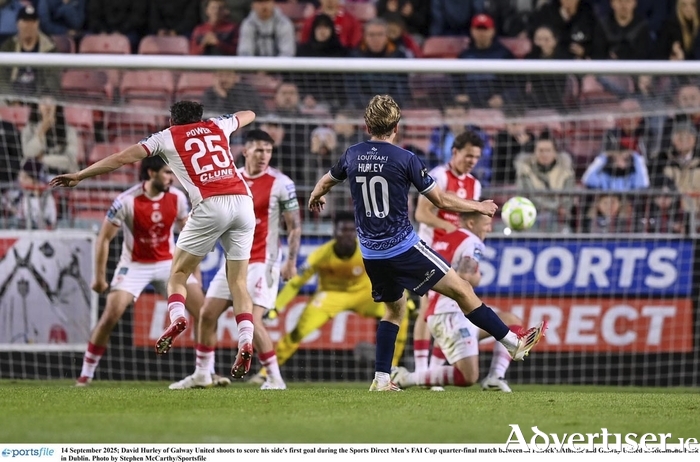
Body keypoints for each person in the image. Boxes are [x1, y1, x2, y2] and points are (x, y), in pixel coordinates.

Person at [307, 94, 547, 391]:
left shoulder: (352, 154)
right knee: (462, 288)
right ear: (396, 126)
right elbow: (440, 199)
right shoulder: (405, 158)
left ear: (367, 125)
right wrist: (479, 206)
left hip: (370, 252)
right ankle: (513, 342)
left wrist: (315, 196)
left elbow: (328, 180)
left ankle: (381, 379)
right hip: (403, 248)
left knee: (394, 310)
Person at [50, 101, 258, 379]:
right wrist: (227, 118)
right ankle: (245, 339)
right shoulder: (218, 125)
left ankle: (177, 317)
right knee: (239, 283)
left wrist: (80, 175)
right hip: (244, 203)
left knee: (178, 274)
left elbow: (121, 158)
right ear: (200, 117)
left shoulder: (167, 137)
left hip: (211, 204)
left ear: (173, 119)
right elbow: (249, 113)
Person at [169, 129, 301, 390]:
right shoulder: (233, 178)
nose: (264, 156)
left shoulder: (281, 183)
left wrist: (291, 261)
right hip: (234, 260)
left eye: (268, 150)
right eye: (259, 150)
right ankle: (202, 374)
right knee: (207, 314)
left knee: (254, 318)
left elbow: (294, 226)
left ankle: (275, 378)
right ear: (246, 151)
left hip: (264, 261)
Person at [73, 156, 207, 386]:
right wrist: (99, 277)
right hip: (134, 265)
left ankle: (206, 371)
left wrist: (196, 271)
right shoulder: (125, 201)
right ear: (151, 173)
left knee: (204, 312)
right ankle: (85, 375)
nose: (170, 178)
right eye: (166, 173)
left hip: (169, 264)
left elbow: (190, 237)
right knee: (110, 315)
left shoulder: (177, 198)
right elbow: (104, 239)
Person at [250, 212, 410, 385]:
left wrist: (402, 298)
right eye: (343, 230)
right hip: (331, 296)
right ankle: (266, 372)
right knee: (298, 332)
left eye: (351, 230)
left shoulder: (366, 250)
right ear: (335, 233)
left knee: (400, 314)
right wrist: (277, 307)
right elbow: (296, 283)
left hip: (364, 295)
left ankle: (391, 369)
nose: (347, 234)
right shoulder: (321, 254)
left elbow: (389, 272)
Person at [391, 211, 524, 392]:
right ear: (471, 223)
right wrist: (478, 277)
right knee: (468, 377)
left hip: (443, 310)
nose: (489, 228)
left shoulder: (444, 239)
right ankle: (406, 378)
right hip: (451, 315)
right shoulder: (472, 241)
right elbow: (465, 277)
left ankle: (495, 377)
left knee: (511, 321)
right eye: (486, 224)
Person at [412, 130, 482, 384]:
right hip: (430, 250)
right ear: (455, 152)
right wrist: (452, 229)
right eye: (468, 155)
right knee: (426, 308)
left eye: (476, 157)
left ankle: (432, 370)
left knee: (455, 308)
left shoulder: (475, 184)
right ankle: (421, 369)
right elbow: (421, 214)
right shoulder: (439, 175)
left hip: (456, 255)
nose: (472, 160)